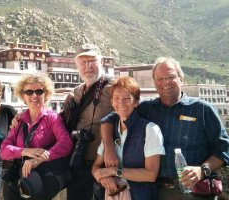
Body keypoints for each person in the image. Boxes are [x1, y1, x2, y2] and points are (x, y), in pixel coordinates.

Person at [101, 57, 229, 200]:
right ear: (154, 82)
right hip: (155, 191)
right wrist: (109, 147)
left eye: (171, 77)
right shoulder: (146, 108)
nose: (165, 82)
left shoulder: (202, 109)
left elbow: (224, 148)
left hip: (193, 192)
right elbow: (111, 118)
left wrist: (202, 170)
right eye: (160, 78)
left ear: (181, 78)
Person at [0, 74, 73, 200]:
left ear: (46, 94)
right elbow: (4, 151)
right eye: (29, 92)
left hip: (42, 180)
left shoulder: (52, 118)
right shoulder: (19, 120)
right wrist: (25, 151)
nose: (34, 96)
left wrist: (41, 158)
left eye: (39, 91)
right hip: (19, 179)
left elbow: (66, 143)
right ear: (23, 96)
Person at [92, 76, 165, 200]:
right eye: (116, 98)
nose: (121, 103)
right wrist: (102, 177)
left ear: (136, 102)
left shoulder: (150, 130)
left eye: (127, 98)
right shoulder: (110, 132)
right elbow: (96, 166)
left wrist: (114, 171)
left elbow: (151, 174)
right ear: (111, 102)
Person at [60, 43, 114, 200]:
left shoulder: (114, 88)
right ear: (77, 66)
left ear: (101, 62)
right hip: (78, 158)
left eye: (92, 61)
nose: (88, 66)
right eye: (83, 62)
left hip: (104, 161)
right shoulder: (76, 92)